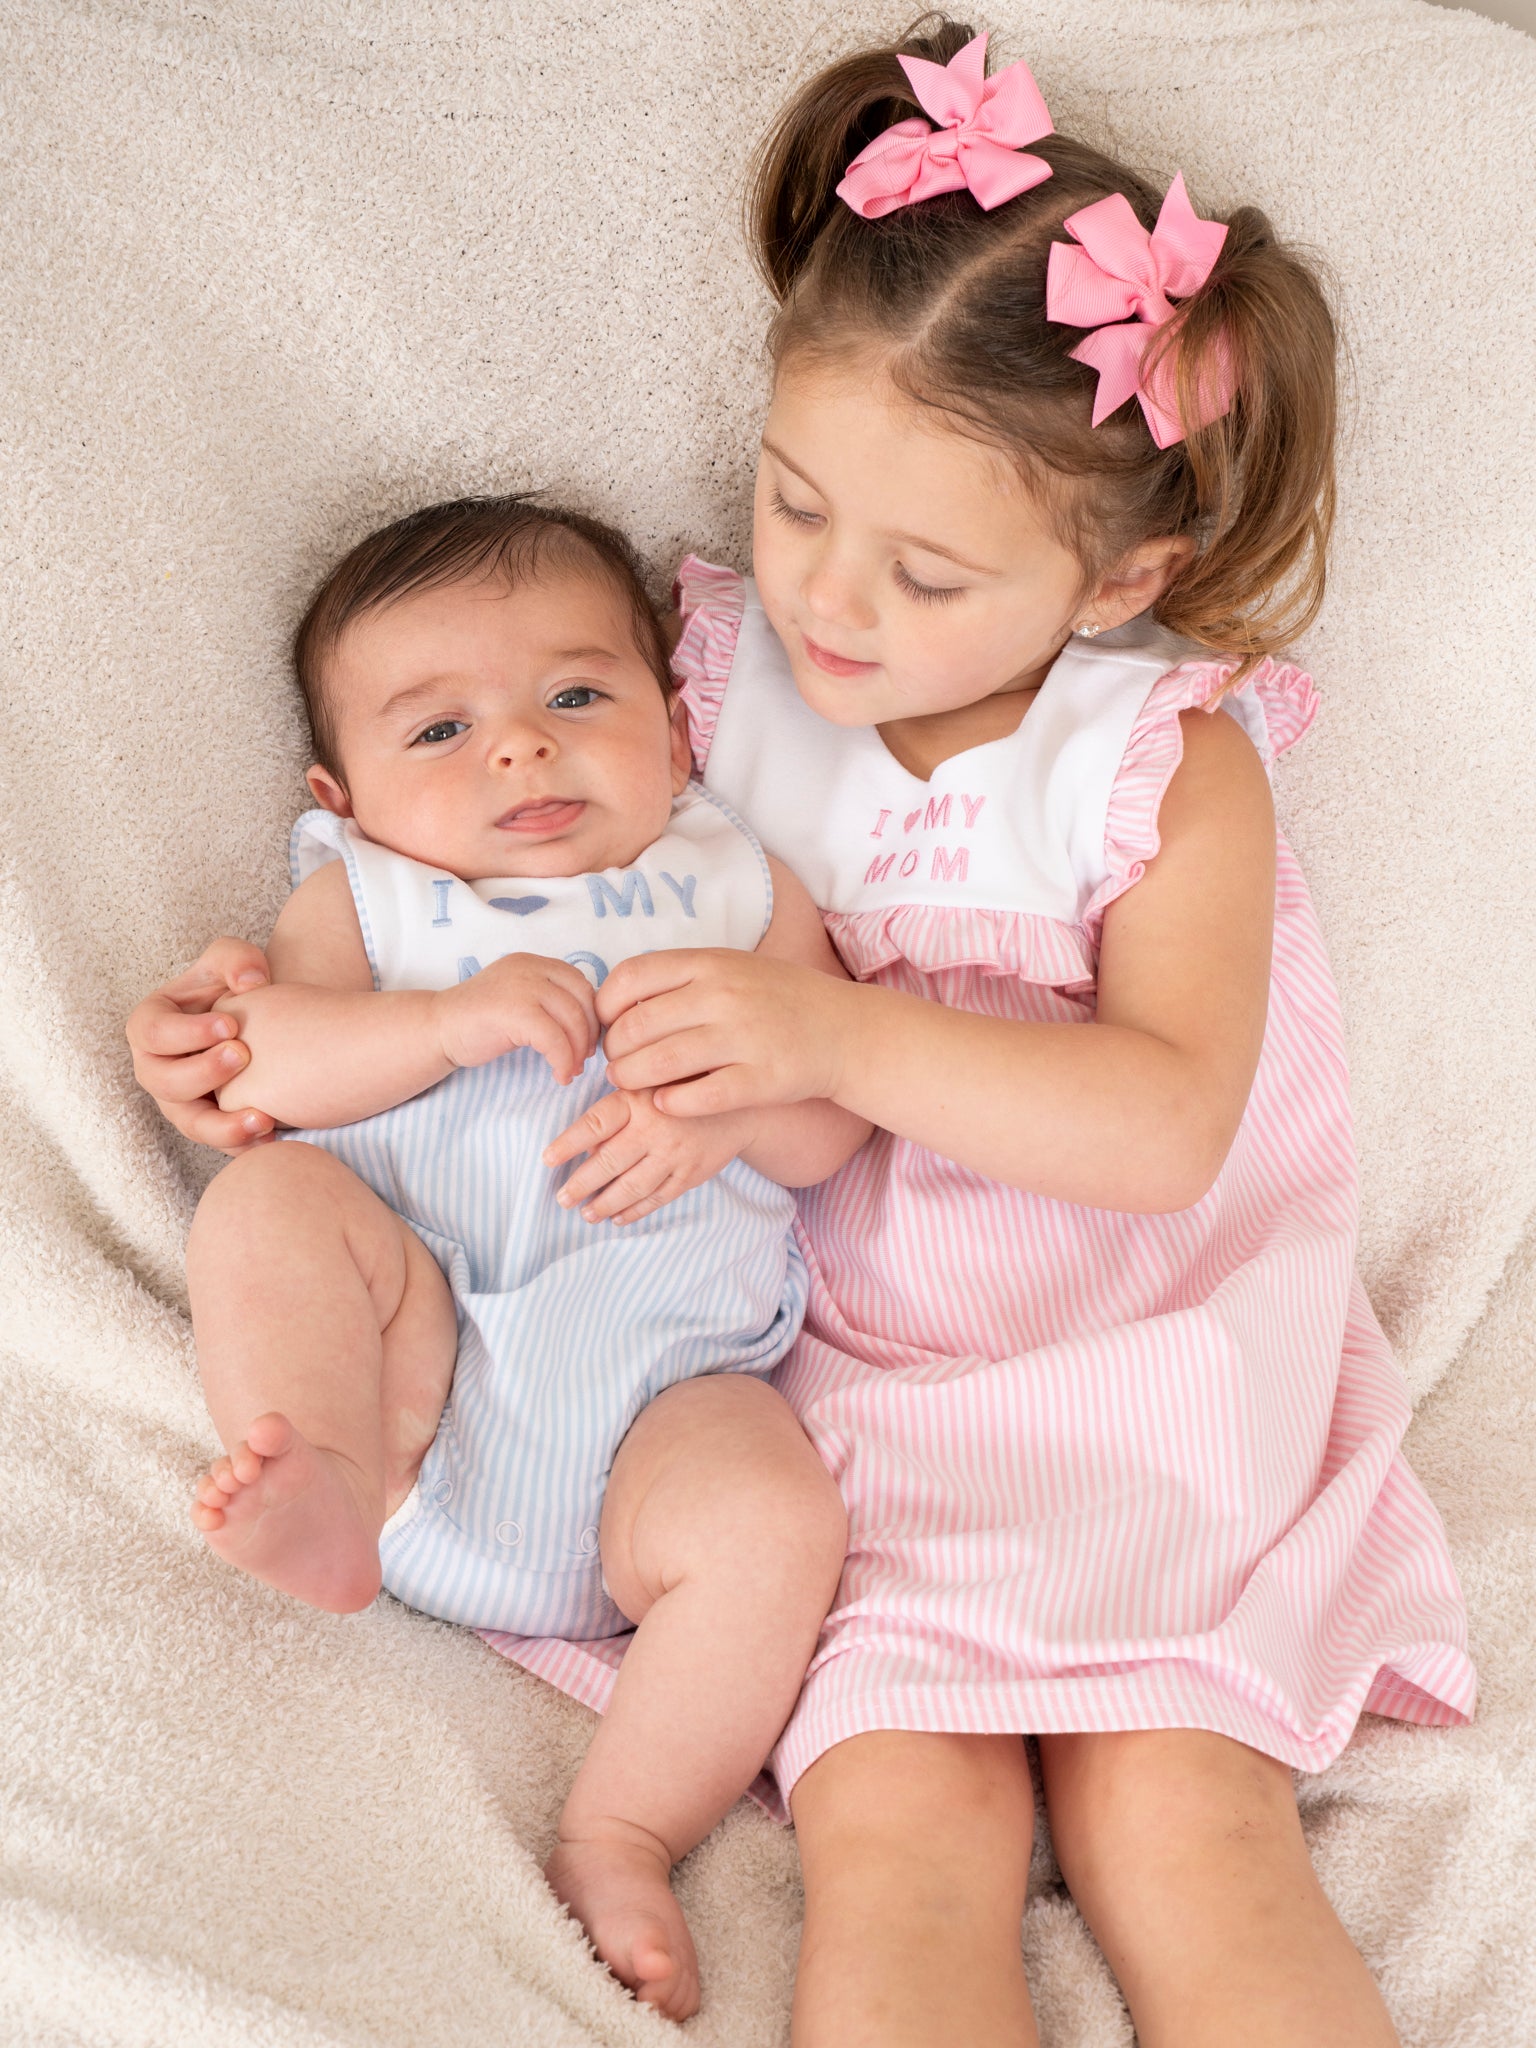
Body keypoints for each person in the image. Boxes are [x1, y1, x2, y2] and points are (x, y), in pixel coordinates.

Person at [131, 20, 1477, 2045]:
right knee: (900, 1833)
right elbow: (484, 863)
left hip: (1137, 1369)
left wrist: (824, 1037)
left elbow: (1165, 1126)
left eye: (925, 572)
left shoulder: (1160, 768)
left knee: (1185, 1820)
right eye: (792, 504)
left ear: (1122, 572)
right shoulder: (698, 692)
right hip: (816, 1377)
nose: (831, 603)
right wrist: (232, 1019)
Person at [164, 494, 864, 2023]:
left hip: (668, 1418)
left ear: (673, 731)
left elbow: (829, 1132)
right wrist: (440, 1024)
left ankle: (622, 1833)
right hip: (420, 1385)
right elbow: (265, 1068)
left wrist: (729, 1104)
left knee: (775, 1516)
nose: (521, 750)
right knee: (266, 1206)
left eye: (576, 697)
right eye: (440, 730)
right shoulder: (368, 896)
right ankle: (322, 1473)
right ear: (342, 795)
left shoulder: (740, 883)